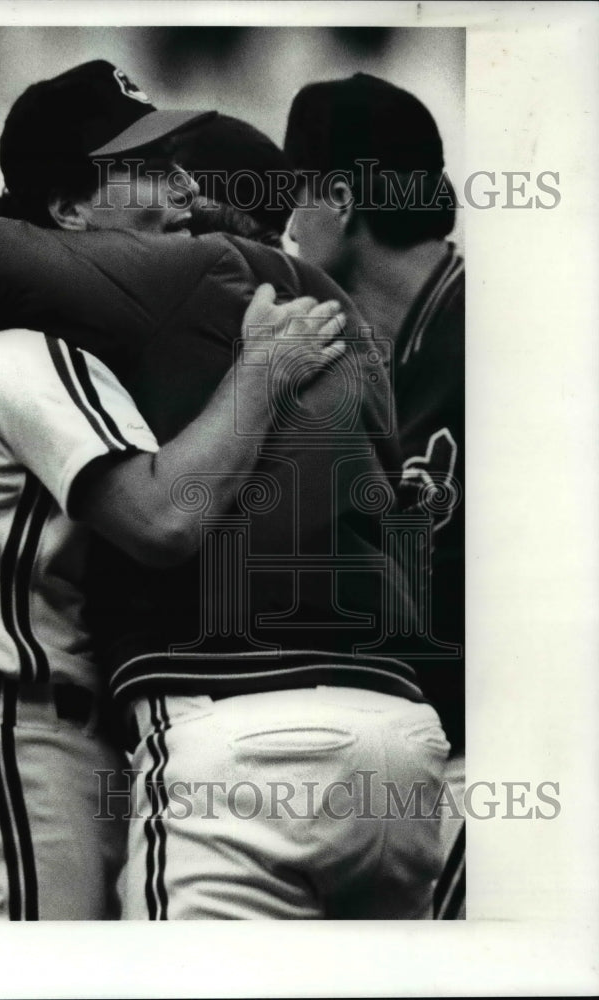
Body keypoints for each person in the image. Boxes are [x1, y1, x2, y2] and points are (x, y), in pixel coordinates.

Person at [0, 77, 450, 920]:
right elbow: (174, 516)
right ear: (71, 211)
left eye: (185, 175)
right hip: (395, 738)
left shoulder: (181, 286)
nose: (183, 195)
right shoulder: (339, 319)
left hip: (203, 736)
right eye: (152, 171)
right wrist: (257, 373)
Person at [284, 72, 466, 917]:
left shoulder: (503, 333)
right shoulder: (396, 355)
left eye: (293, 196)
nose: (283, 224)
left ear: (341, 197)